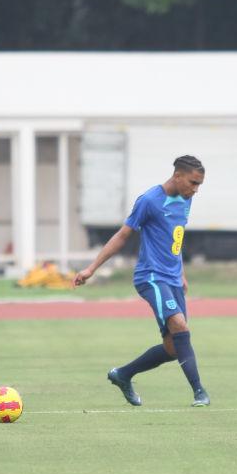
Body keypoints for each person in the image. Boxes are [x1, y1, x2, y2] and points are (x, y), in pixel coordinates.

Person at [73, 155, 211, 408]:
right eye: (193, 183)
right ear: (178, 176)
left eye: (199, 184)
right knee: (180, 326)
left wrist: (181, 273)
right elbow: (123, 235)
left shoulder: (185, 200)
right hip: (151, 277)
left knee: (172, 347)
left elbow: (175, 238)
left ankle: (123, 375)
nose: (196, 189)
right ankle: (199, 392)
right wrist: (91, 268)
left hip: (172, 278)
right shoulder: (149, 201)